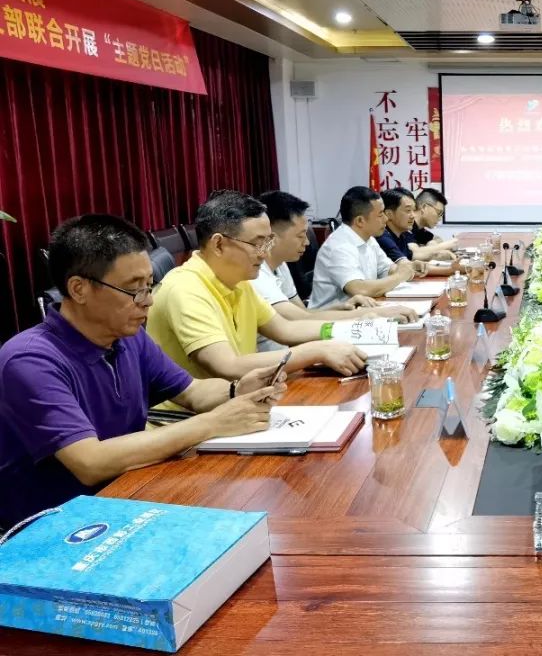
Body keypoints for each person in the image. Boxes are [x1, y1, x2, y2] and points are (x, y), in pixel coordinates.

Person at [0, 215, 286, 528]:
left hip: (127, 494)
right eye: (134, 290)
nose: (148, 301)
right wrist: (214, 423)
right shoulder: (30, 360)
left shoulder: (128, 336)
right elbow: (90, 463)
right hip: (55, 526)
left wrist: (237, 390)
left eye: (149, 286)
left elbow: (192, 391)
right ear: (79, 289)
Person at [147, 190, 368, 384]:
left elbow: (285, 329)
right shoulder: (185, 289)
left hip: (243, 397)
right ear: (219, 244)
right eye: (257, 243)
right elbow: (228, 365)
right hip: (196, 413)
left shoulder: (239, 281)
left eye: (268, 242)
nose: (265, 253)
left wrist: (350, 328)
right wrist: (317, 351)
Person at [252, 190, 419, 352]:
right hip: (279, 358)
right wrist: (373, 314)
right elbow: (299, 319)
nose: (307, 243)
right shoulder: (257, 274)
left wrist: (340, 309)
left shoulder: (280, 265)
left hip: (296, 349)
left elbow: (303, 312)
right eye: (300, 236)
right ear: (270, 237)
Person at [309, 186, 419, 307]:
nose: (386, 218)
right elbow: (359, 289)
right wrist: (399, 276)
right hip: (332, 316)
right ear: (360, 221)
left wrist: (408, 268)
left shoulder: (369, 239)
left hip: (361, 310)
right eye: (380, 214)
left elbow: (387, 269)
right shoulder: (339, 246)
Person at [376, 188, 454, 275]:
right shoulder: (382, 236)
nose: (413, 215)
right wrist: (451, 270)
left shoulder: (402, 236)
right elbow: (407, 267)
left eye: (414, 210)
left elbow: (413, 261)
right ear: (389, 214)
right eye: (408, 210)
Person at [411, 187, 458, 260]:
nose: (440, 218)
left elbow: (437, 240)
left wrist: (432, 244)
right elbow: (413, 254)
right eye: (439, 213)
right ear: (424, 207)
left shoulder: (420, 230)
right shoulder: (405, 227)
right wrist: (445, 246)